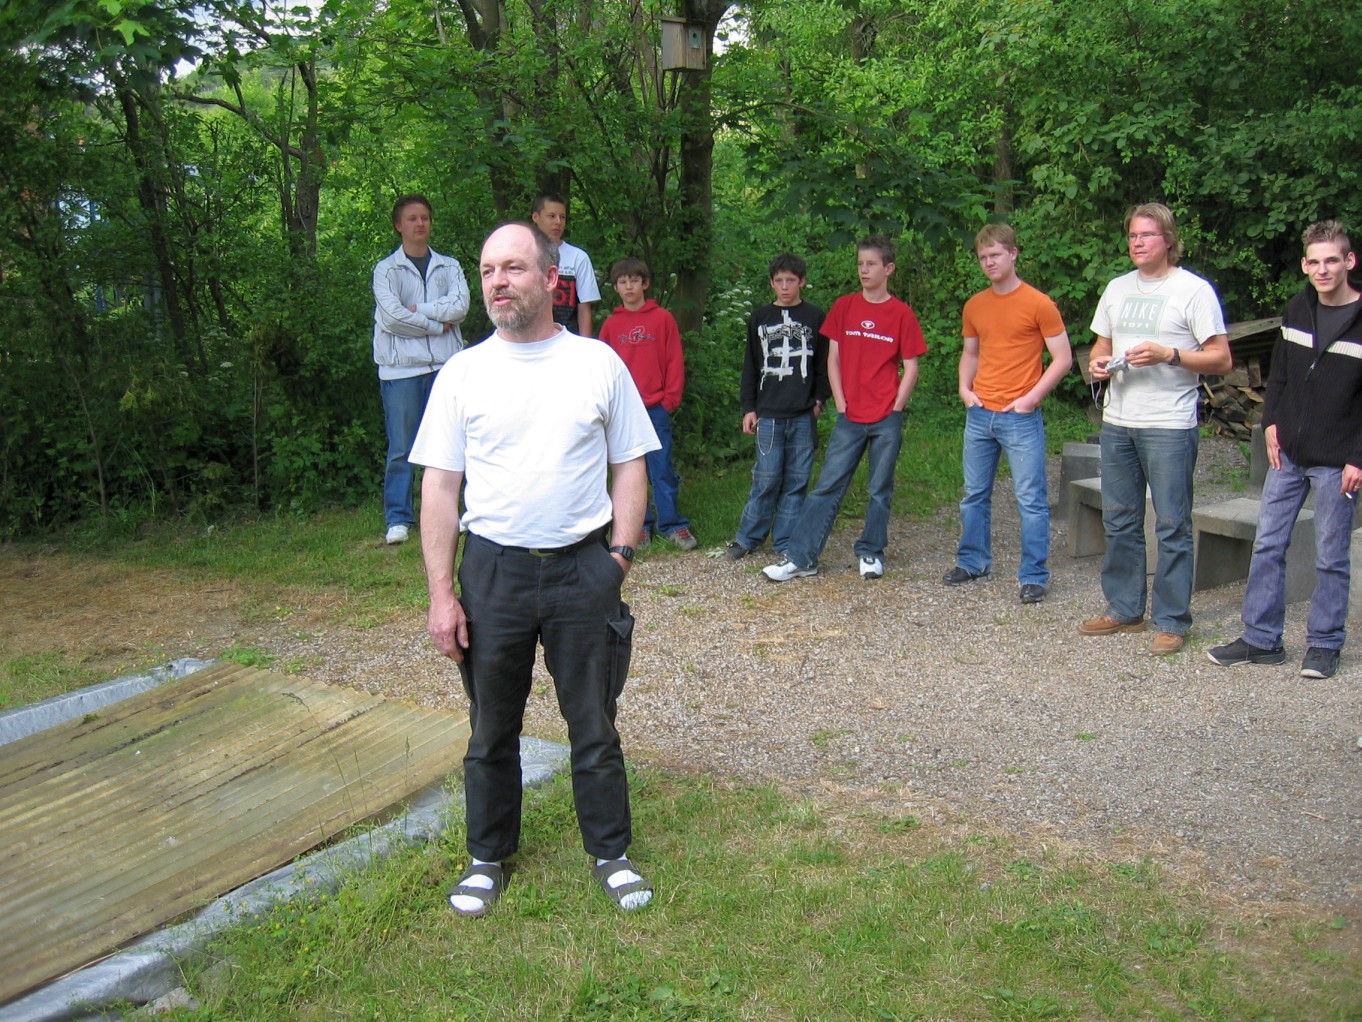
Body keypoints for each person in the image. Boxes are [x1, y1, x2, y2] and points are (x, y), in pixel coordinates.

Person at [411, 222, 660, 916]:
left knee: (594, 722)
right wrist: (441, 594)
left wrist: (620, 556)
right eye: (489, 270)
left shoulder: (597, 363)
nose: (498, 282)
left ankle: (610, 852)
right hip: (494, 573)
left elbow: (630, 462)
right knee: (491, 728)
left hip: (585, 568)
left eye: (514, 268)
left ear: (551, 280)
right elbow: (440, 489)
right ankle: (487, 858)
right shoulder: (463, 373)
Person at [1207, 221, 1362, 679]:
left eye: (1331, 260)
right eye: (1314, 262)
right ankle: (1261, 639)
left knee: (1330, 556)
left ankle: (1325, 645)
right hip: (1288, 454)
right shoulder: (1298, 307)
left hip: (1337, 461)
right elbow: (1280, 374)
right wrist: (1270, 421)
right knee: (1268, 544)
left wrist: (1358, 456)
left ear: (1349, 261)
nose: (1322, 270)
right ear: (1304, 265)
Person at [1080, 202, 1232, 654]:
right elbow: (1101, 344)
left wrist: (1170, 355)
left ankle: (1171, 620)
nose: (1137, 243)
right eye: (1132, 235)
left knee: (1171, 524)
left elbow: (1222, 358)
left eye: (1146, 235)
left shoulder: (1193, 290)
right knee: (1119, 518)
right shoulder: (1117, 288)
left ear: (1168, 239)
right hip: (1118, 420)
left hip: (1169, 423)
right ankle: (1125, 609)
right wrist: (1098, 362)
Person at [763, 235, 927, 582]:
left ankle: (871, 551)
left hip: (886, 416)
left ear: (888, 269)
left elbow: (911, 366)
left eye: (871, 264)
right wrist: (840, 401)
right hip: (850, 416)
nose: (864, 270)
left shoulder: (901, 313)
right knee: (826, 486)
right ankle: (802, 558)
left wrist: (897, 406)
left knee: (879, 489)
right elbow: (833, 358)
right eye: (860, 264)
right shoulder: (845, 307)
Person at [945, 224, 1072, 603]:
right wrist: (964, 389)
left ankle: (1034, 575)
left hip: (1020, 416)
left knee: (1030, 499)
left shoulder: (1039, 303)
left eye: (996, 255)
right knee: (973, 494)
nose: (989, 262)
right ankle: (973, 561)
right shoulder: (975, 305)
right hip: (980, 412)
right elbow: (971, 353)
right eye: (983, 257)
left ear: (1013, 254)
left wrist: (1031, 399)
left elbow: (1062, 359)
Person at [371, 194, 469, 545]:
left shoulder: (449, 266)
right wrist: (435, 325)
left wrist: (421, 309)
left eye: (424, 217)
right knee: (402, 447)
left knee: (456, 442)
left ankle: (463, 511)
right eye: (412, 218)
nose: (420, 223)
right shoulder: (386, 270)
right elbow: (391, 317)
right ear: (399, 225)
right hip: (401, 371)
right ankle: (398, 518)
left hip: (445, 366)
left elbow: (461, 307)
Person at [727, 253, 828, 560]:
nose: (785, 287)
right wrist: (749, 407)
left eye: (791, 281)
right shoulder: (760, 318)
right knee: (766, 478)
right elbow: (751, 365)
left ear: (802, 282)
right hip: (769, 412)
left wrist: (820, 400)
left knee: (796, 480)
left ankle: (785, 540)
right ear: (771, 283)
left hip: (802, 413)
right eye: (779, 281)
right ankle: (749, 537)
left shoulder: (815, 317)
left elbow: (823, 363)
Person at [598, 256, 697, 550]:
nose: (629, 286)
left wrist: (670, 398)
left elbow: (674, 359)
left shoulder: (662, 319)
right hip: (623, 412)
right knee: (630, 470)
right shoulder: (611, 325)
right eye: (623, 282)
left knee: (661, 468)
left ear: (645, 284)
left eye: (634, 281)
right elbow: (603, 367)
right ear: (615, 287)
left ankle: (672, 524)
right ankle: (639, 526)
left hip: (655, 408)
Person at [531, 192, 601, 337]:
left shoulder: (578, 257)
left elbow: (584, 308)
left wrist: (585, 344)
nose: (558, 222)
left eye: (562, 217)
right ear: (536, 217)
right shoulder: (522, 254)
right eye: (551, 216)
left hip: (568, 338)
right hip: (530, 339)